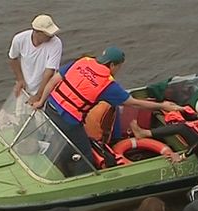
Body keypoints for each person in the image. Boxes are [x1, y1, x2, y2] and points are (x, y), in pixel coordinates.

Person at [32, 46, 184, 175]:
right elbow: (135, 104)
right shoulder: (107, 85)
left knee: (65, 142)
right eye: (118, 67)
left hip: (50, 107)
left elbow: (53, 80)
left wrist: (40, 101)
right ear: (112, 65)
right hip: (68, 120)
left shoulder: (82, 62)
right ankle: (85, 182)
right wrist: (162, 106)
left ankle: (57, 160)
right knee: (85, 155)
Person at [131, 94, 198, 183]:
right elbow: (195, 116)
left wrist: (181, 157)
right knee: (182, 127)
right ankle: (144, 133)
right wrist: (180, 109)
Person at [8, 14, 62, 103]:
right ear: (37, 32)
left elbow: (49, 72)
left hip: (45, 90)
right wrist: (20, 79)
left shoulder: (56, 43)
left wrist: (39, 95)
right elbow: (13, 58)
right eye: (48, 34)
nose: (52, 36)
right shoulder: (19, 39)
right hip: (25, 88)